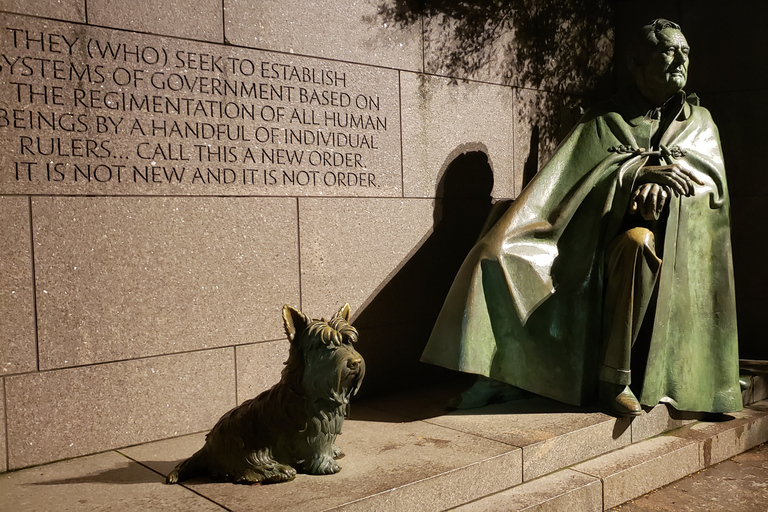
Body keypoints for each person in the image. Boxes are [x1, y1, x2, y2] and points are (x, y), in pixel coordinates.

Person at [421, 19, 743, 416]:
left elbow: (713, 192)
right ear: (637, 64)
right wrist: (632, 176)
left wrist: (665, 192)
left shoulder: (700, 124)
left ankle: (614, 379)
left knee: (638, 244)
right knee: (495, 251)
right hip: (583, 243)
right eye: (668, 51)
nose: (679, 59)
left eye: (685, 51)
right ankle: (495, 372)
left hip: (662, 247)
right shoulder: (604, 119)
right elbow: (563, 189)